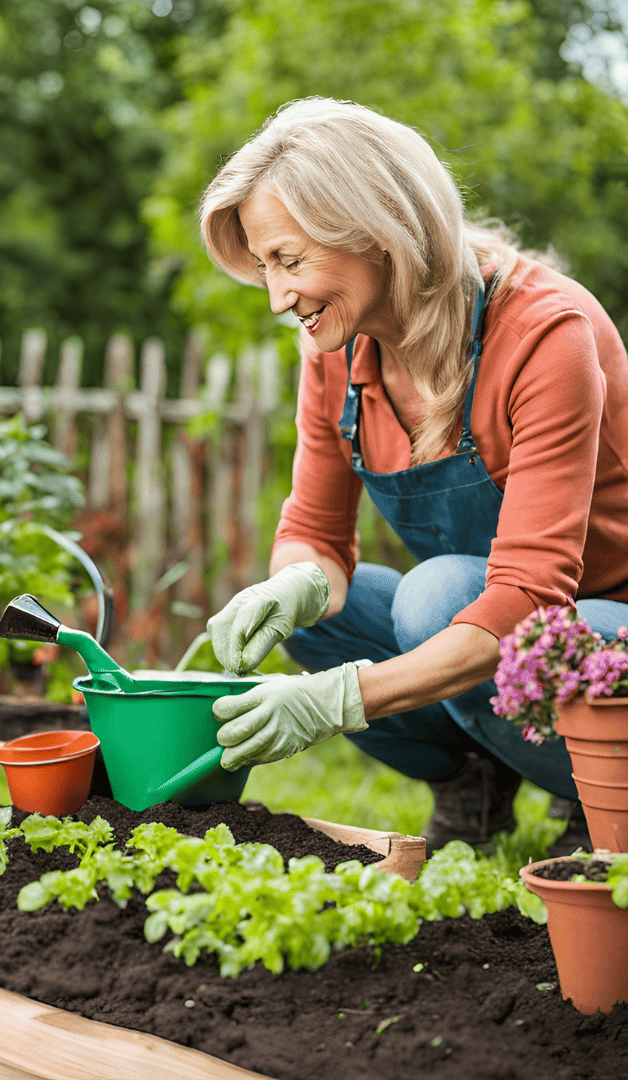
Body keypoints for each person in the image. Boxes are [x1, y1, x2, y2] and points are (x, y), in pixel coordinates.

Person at [199, 98, 628, 854]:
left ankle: (593, 790)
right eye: (266, 266)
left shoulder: (546, 335)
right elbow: (313, 535)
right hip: (488, 621)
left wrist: (338, 700)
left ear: (375, 231)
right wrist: (291, 584)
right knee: (319, 611)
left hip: (604, 632)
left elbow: (522, 600)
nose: (276, 298)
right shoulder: (336, 350)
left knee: (437, 599)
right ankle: (476, 784)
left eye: (290, 261)